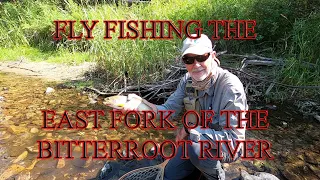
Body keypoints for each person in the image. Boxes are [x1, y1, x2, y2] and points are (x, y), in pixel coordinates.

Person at [107, 34, 248, 180]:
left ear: (212, 56)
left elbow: (234, 142)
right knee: (170, 176)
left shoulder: (230, 87)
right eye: (189, 59)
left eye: (201, 57)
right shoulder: (187, 81)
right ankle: (197, 165)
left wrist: (189, 130)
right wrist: (142, 106)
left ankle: (215, 176)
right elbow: (167, 111)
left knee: (195, 148)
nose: (196, 64)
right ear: (184, 62)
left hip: (223, 146)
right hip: (196, 139)